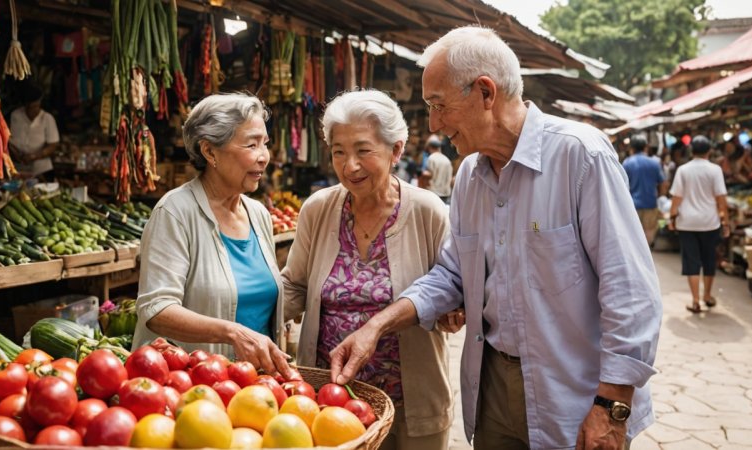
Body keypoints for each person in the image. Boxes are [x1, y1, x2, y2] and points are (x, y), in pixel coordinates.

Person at [329, 26, 662, 450]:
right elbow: (452, 274)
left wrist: (612, 406)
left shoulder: (579, 155)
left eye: (439, 105)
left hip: (575, 397)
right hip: (493, 390)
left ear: (485, 92)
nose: (433, 123)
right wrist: (376, 326)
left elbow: (630, 291)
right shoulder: (471, 175)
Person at [282, 89, 454, 450]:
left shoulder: (428, 211)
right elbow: (294, 286)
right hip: (330, 403)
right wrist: (235, 317)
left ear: (396, 150)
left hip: (411, 404)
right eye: (339, 152)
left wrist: (453, 312)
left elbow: (450, 289)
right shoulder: (318, 209)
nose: (350, 166)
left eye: (363, 150)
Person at [134, 93, 293, 378]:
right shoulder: (175, 212)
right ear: (209, 152)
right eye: (251, 144)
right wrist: (232, 332)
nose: (264, 157)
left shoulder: (258, 214)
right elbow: (156, 309)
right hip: (195, 385)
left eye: (265, 144)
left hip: (256, 385)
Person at [667, 135, 728, 314]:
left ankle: (695, 301)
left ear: (691, 151)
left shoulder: (683, 170)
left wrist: (672, 218)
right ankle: (707, 296)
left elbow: (677, 197)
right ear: (709, 151)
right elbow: (721, 199)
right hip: (710, 222)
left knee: (691, 261)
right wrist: (725, 221)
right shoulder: (715, 170)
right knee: (709, 259)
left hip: (687, 223)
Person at [622, 134, 666, 246]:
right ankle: (647, 253)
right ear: (646, 147)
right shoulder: (655, 163)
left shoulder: (627, 163)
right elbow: (663, 183)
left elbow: (622, 184)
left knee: (632, 234)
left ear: (631, 148)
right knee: (649, 232)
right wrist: (660, 197)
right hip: (650, 203)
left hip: (632, 204)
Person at [8, 84, 59, 178]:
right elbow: (9, 140)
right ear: (26, 105)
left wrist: (34, 156)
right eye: (32, 107)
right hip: (18, 168)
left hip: (42, 169)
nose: (35, 110)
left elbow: (53, 145)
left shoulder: (47, 118)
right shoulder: (15, 116)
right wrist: (16, 154)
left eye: (37, 106)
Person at [423, 134, 453, 204]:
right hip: (445, 194)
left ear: (430, 147)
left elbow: (429, 175)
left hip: (434, 193)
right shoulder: (447, 160)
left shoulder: (431, 158)